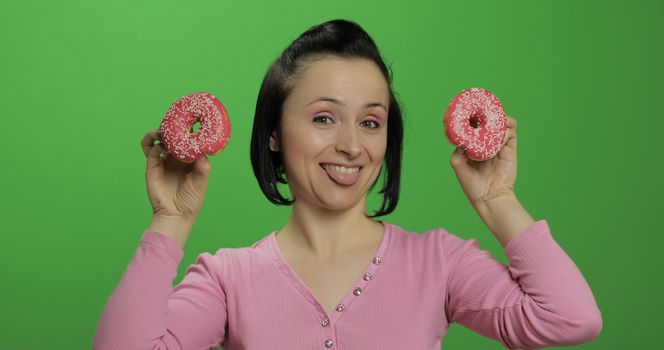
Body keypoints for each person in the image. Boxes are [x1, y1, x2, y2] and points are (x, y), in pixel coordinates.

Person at [93, 19, 602, 349]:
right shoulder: (229, 278)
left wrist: (498, 201)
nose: (352, 146)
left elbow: (571, 318)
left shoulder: (438, 263)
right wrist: (170, 222)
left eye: (371, 122)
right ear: (273, 132)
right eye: (323, 119)